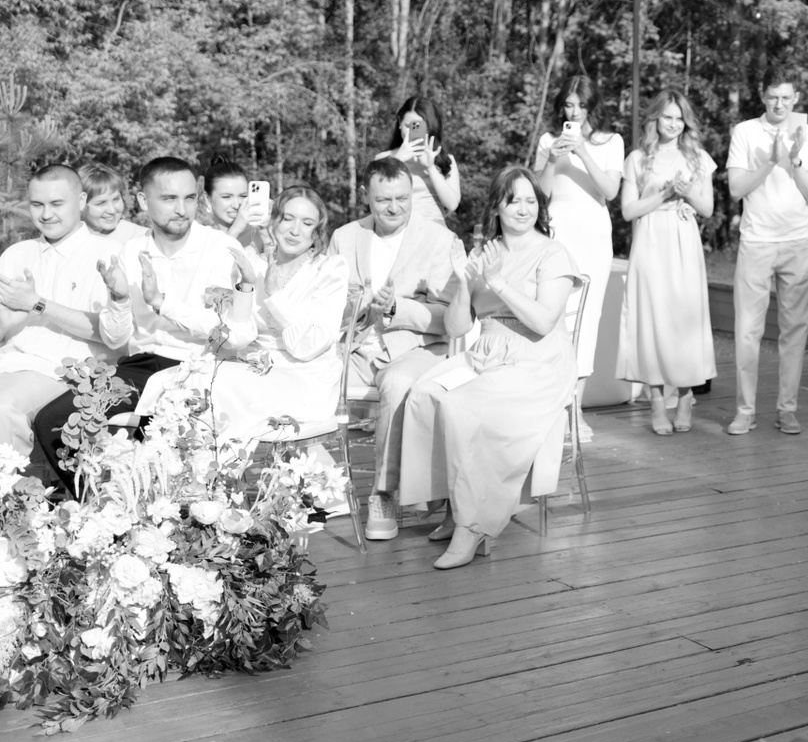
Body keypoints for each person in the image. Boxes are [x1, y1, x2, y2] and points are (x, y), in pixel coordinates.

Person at [398, 166, 582, 569]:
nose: (523, 209)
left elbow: (543, 322)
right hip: (487, 351)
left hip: (538, 358)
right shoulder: (483, 252)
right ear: (497, 206)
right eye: (513, 200)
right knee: (425, 394)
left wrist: (497, 282)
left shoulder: (553, 253)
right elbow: (456, 328)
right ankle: (452, 505)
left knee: (462, 407)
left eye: (531, 200)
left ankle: (473, 525)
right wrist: (464, 286)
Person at [31, 157, 255, 473]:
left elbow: (230, 336)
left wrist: (162, 303)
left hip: (201, 368)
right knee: (53, 421)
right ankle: (104, 502)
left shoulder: (222, 249)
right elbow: (115, 338)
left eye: (189, 198)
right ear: (143, 200)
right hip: (140, 368)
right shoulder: (131, 251)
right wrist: (120, 299)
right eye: (169, 198)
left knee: (166, 448)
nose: (182, 209)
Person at [141, 187, 349, 442]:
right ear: (274, 221)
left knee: (210, 385)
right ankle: (178, 460)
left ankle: (207, 462)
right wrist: (162, 302)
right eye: (287, 218)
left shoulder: (329, 269)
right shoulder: (254, 265)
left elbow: (308, 346)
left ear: (317, 231)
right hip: (256, 374)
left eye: (307, 223)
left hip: (307, 383)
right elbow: (235, 336)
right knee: (177, 379)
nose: (295, 230)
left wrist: (276, 296)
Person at [330, 156, 463, 540]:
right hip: (355, 348)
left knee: (397, 384)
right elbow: (326, 302)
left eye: (402, 199)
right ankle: (313, 485)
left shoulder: (440, 240)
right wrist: (357, 307)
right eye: (383, 199)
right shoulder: (345, 236)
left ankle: (383, 493)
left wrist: (395, 308)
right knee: (300, 373)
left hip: (415, 348)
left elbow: (449, 317)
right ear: (366, 196)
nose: (394, 208)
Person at [0, 164, 129, 488]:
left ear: (81, 201)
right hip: (9, 362)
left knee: (2, 406)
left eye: (57, 204)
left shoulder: (108, 255)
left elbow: (113, 336)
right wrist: (10, 320)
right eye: (37, 204)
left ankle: (9, 501)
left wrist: (37, 305)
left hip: (64, 373)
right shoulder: (18, 254)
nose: (46, 214)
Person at [726, 73, 808, 436]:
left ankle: (787, 409)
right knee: (747, 330)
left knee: (794, 331)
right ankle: (745, 411)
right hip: (756, 241)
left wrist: (794, 160)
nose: (779, 104)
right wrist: (768, 162)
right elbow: (735, 189)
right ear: (762, 96)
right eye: (772, 97)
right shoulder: (745, 131)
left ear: (796, 97)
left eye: (785, 97)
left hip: (796, 241)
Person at [616, 90, 717, 435]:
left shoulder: (698, 158)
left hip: (683, 241)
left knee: (683, 318)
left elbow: (708, 209)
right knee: (652, 319)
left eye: (679, 118)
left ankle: (686, 397)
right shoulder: (637, 159)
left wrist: (686, 192)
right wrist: (664, 194)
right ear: (655, 119)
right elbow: (628, 210)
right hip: (649, 241)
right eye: (667, 117)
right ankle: (657, 403)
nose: (673, 124)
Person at [534, 75, 624, 404]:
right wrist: (551, 159)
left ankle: (576, 408)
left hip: (593, 237)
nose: (574, 112)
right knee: (554, 312)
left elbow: (610, 192)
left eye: (582, 105)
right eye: (569, 105)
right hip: (557, 234)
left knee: (587, 318)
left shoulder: (611, 141)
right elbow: (540, 194)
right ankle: (551, 401)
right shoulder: (548, 140)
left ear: (592, 107)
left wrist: (584, 153)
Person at [374, 96, 462, 226]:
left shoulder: (445, 160)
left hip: (433, 231)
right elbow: (374, 196)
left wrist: (430, 167)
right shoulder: (383, 158)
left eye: (419, 127)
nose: (412, 132)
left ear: (431, 128)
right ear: (400, 123)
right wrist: (397, 161)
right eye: (408, 126)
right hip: (395, 231)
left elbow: (452, 204)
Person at [199, 154, 269, 259]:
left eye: (243, 196)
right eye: (227, 197)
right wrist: (235, 229)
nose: (236, 205)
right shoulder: (199, 239)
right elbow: (209, 265)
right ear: (207, 199)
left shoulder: (258, 236)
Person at [78, 162, 142, 246]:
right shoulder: (68, 241)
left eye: (116, 199)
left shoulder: (141, 238)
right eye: (101, 203)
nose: (112, 210)